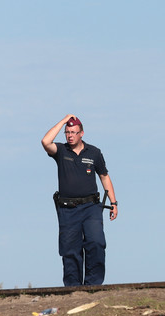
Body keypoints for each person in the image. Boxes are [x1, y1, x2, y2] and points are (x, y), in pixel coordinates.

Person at [41, 114, 118, 286]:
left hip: (91, 207)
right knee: (70, 251)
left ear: (81, 133)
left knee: (96, 243)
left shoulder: (94, 152)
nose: (70, 136)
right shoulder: (60, 151)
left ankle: (93, 286)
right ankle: (73, 290)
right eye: (67, 132)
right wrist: (62, 121)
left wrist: (113, 203)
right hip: (68, 210)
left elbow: (104, 177)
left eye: (73, 132)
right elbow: (45, 142)